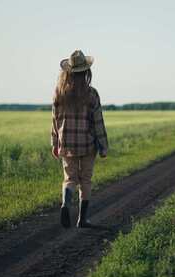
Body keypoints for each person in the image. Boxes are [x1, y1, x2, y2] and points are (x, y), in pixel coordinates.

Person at [51, 50, 108, 228]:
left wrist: (54, 143)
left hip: (67, 144)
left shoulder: (59, 93)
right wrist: (103, 145)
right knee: (86, 180)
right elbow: (98, 122)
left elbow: (55, 121)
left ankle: (65, 203)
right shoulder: (92, 94)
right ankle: (82, 219)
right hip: (87, 144)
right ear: (86, 72)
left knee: (70, 179)